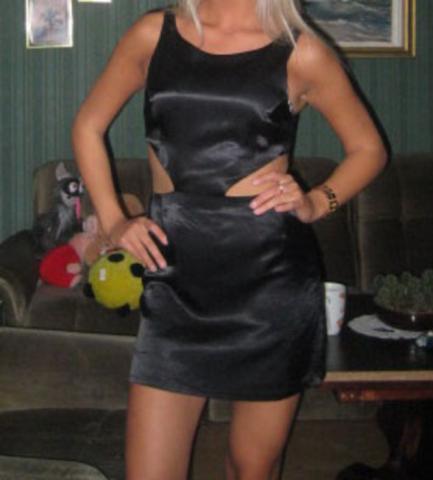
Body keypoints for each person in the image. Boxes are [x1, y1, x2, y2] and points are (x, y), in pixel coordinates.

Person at [71, 0, 387, 478]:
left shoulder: (301, 51)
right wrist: (115, 222)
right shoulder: (154, 34)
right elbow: (88, 125)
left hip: (269, 283)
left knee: (251, 468)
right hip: (175, 277)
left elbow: (368, 149)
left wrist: (316, 202)